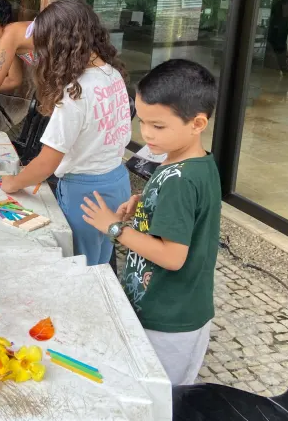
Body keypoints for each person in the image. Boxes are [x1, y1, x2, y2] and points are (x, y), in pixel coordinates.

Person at [81, 59, 221, 386]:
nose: (146, 134)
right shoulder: (194, 164)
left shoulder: (180, 181)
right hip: (175, 307)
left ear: (197, 123)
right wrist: (145, 206)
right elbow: (190, 213)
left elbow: (172, 257)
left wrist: (114, 228)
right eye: (141, 121)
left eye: (158, 126)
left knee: (159, 400)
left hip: (167, 318)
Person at [0, 0, 131, 265]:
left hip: (85, 195)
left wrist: (13, 183)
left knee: (81, 265)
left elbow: (47, 162)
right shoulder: (112, 74)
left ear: (59, 45)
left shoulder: (74, 93)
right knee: (101, 258)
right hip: (117, 181)